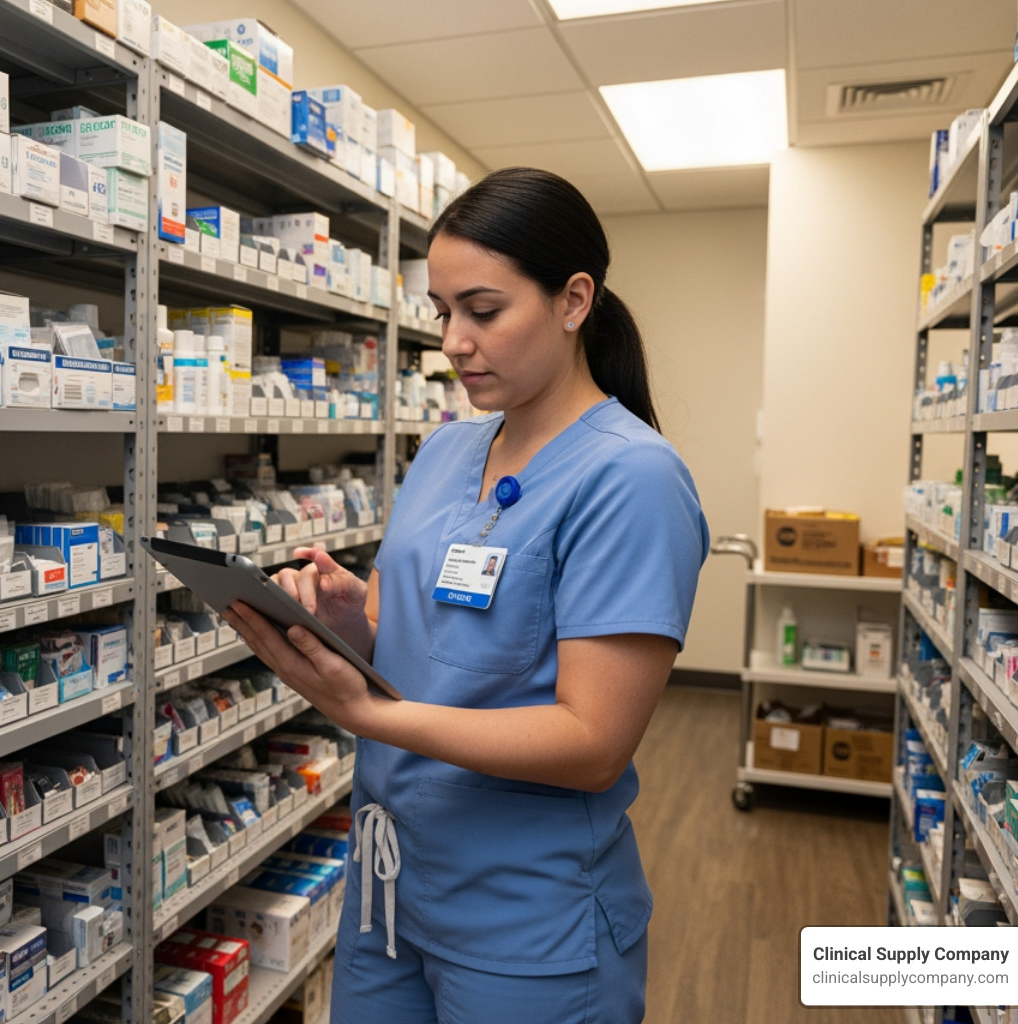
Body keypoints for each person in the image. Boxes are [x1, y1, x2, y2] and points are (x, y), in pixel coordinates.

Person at [221, 167, 708, 1024]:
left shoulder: (632, 478)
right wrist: (344, 621)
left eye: (482, 311)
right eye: (442, 312)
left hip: (529, 922)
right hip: (389, 891)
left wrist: (367, 716)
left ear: (573, 300)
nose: (452, 341)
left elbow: (593, 741)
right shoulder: (448, 452)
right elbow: (407, 634)